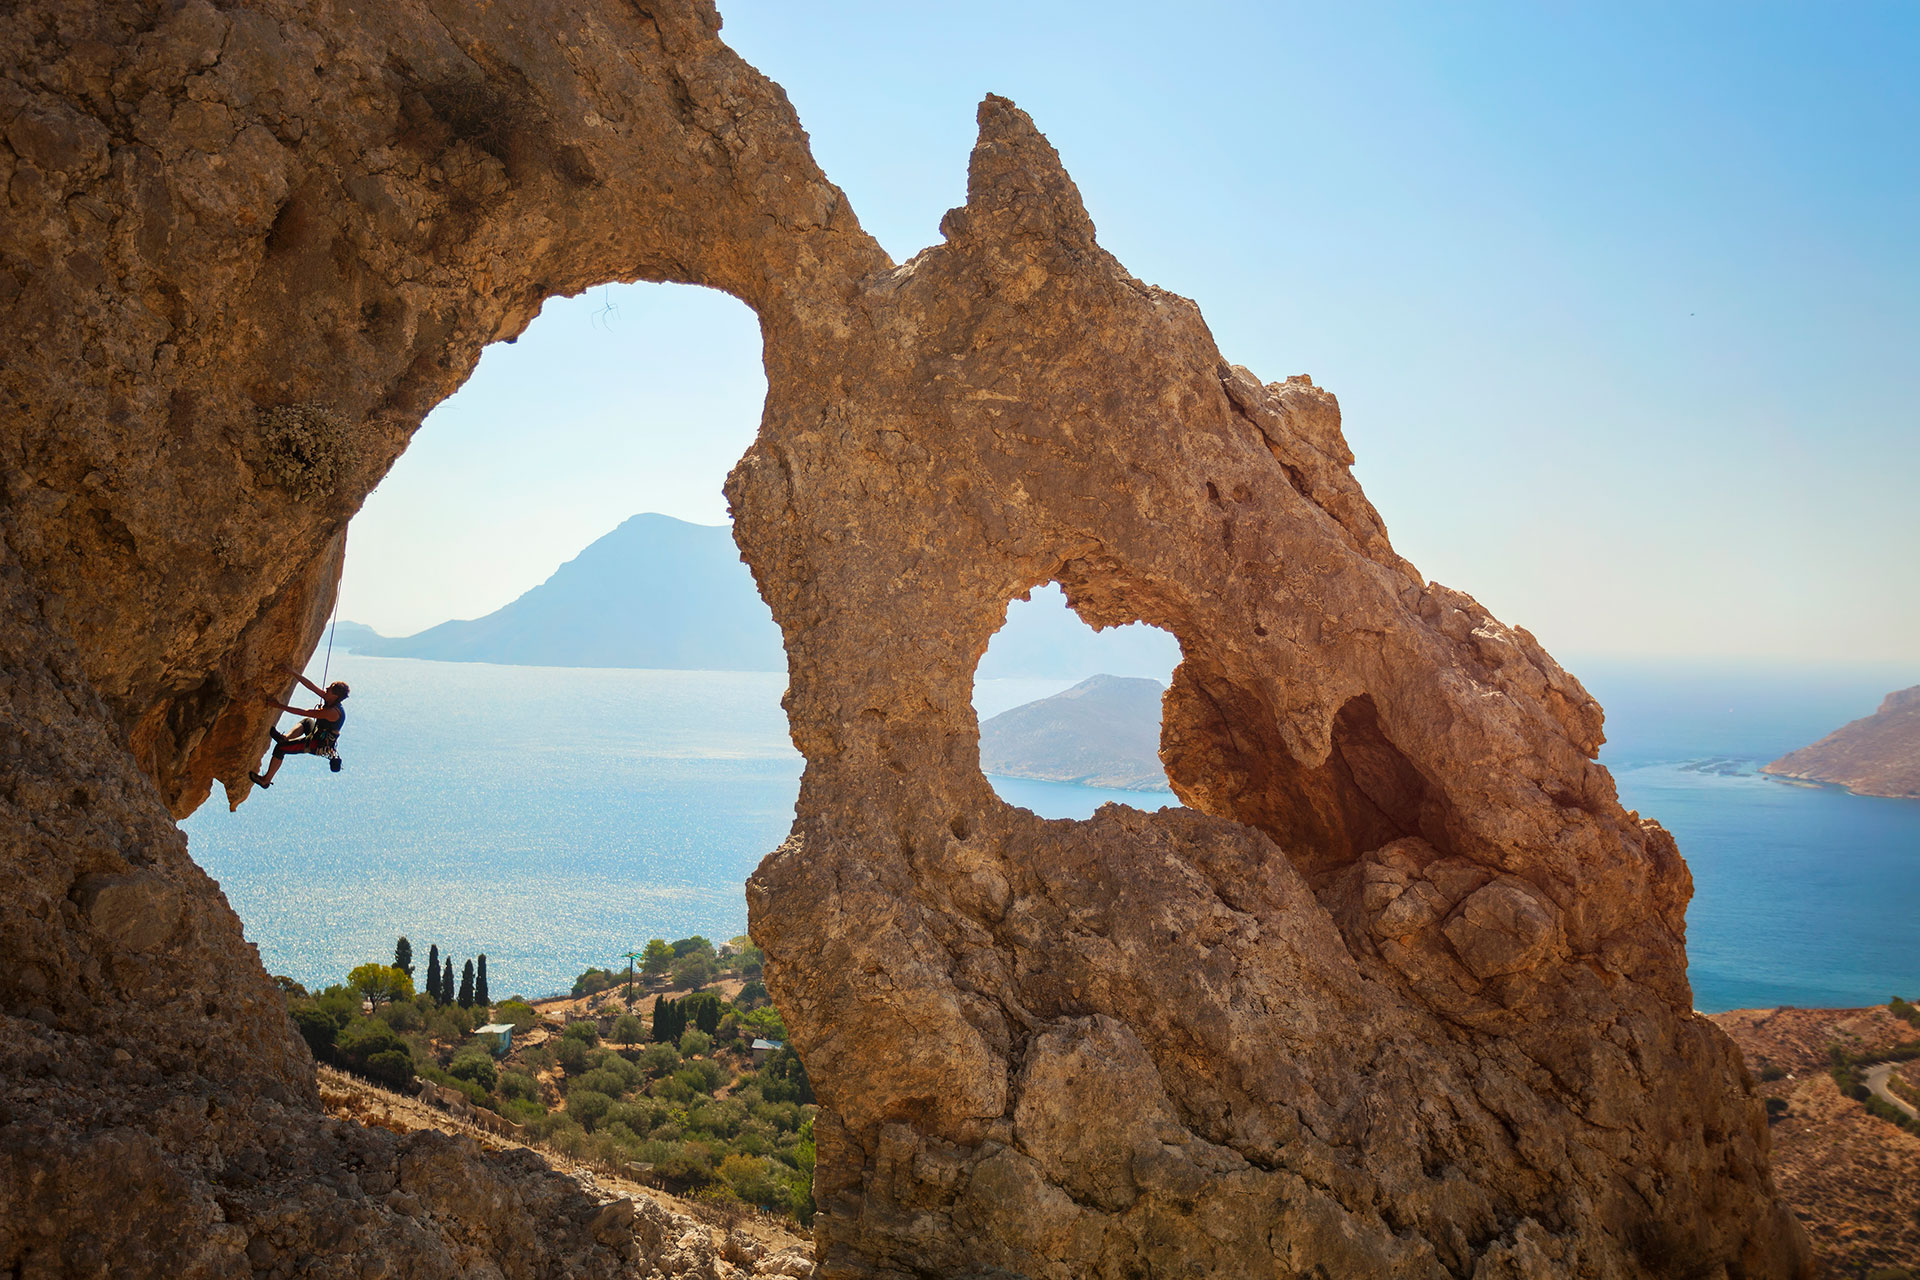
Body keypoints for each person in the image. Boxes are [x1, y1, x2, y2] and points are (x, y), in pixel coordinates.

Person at [249, 663, 349, 788]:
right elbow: (311, 686)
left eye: (330, 689)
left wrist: (279, 706)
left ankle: (266, 780)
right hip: (319, 735)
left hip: (316, 744)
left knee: (281, 748)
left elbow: (303, 711)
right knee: (307, 722)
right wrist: (292, 672)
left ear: (335, 695)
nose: (327, 688)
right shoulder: (331, 700)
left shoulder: (332, 712)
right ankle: (285, 737)